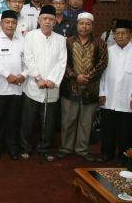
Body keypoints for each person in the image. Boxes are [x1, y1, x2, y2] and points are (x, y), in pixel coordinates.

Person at [56, 12, 108, 162]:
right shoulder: (68, 42)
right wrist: (75, 76)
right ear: (76, 25)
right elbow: (62, 62)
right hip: (70, 87)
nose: (84, 27)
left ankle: (82, 149)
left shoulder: (100, 43)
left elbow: (102, 63)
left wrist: (88, 77)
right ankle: (66, 147)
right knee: (68, 120)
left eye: (88, 24)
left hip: (90, 88)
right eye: (81, 23)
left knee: (86, 122)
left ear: (92, 26)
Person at [20, 5, 67, 162]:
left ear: (55, 22)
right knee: (28, 119)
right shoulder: (30, 36)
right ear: (39, 20)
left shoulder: (61, 40)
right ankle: (25, 147)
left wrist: (52, 80)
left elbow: (62, 62)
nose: (47, 22)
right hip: (34, 86)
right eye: (45, 19)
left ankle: (44, 148)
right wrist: (38, 78)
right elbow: (28, 59)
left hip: (52, 86)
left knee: (48, 121)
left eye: (51, 19)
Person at [0, 10, 26, 161]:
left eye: (13, 22)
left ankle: (12, 148)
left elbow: (28, 60)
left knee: (13, 120)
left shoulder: (22, 39)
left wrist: (24, 75)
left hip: (17, 87)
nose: (10, 25)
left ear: (16, 24)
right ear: (1, 24)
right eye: (7, 22)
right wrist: (7, 75)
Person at [98, 19, 132, 163]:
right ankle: (107, 153)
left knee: (125, 130)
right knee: (108, 128)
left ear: (130, 35)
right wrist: (101, 93)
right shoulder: (108, 51)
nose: (120, 36)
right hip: (109, 97)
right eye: (117, 33)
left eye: (123, 33)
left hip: (127, 99)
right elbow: (102, 75)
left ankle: (124, 156)